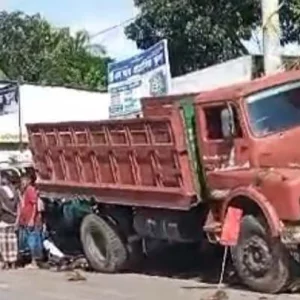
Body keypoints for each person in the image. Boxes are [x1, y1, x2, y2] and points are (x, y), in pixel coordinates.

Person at [17, 173, 43, 269]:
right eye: (21, 181)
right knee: (28, 240)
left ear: (28, 181)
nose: (21, 183)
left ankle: (34, 262)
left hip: (30, 220)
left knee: (32, 240)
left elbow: (35, 205)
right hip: (25, 220)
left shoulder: (30, 190)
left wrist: (32, 219)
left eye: (23, 181)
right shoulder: (24, 191)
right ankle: (32, 260)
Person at [0, 173, 19, 269]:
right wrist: (16, 215)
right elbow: (19, 205)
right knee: (12, 242)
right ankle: (13, 262)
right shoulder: (14, 191)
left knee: (4, 242)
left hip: (4, 219)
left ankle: (6, 262)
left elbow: (2, 205)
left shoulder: (1, 190)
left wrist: (11, 212)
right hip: (13, 220)